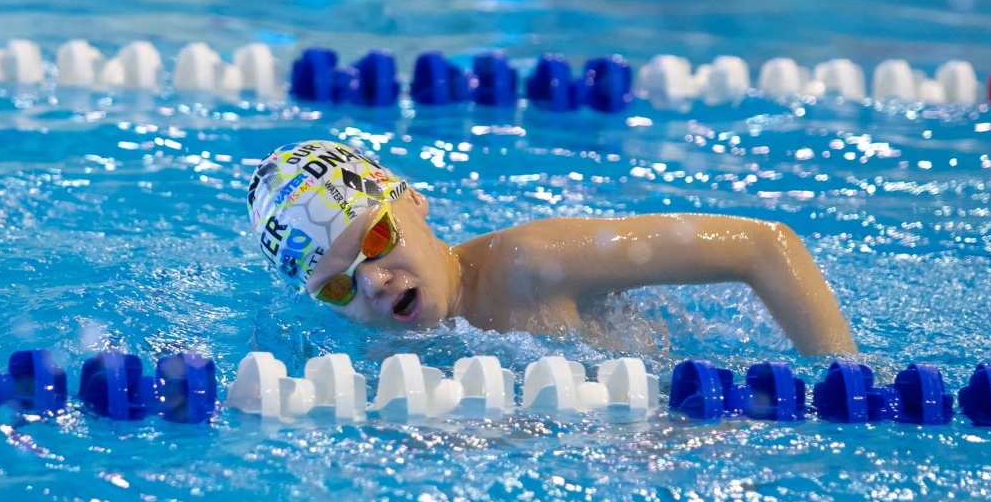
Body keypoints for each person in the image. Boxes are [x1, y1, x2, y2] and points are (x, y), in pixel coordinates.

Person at [246, 140, 857, 356]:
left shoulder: (533, 264)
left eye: (377, 239)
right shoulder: (367, 358)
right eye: (337, 285)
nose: (373, 282)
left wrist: (846, 383)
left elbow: (763, 245)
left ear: (415, 201)